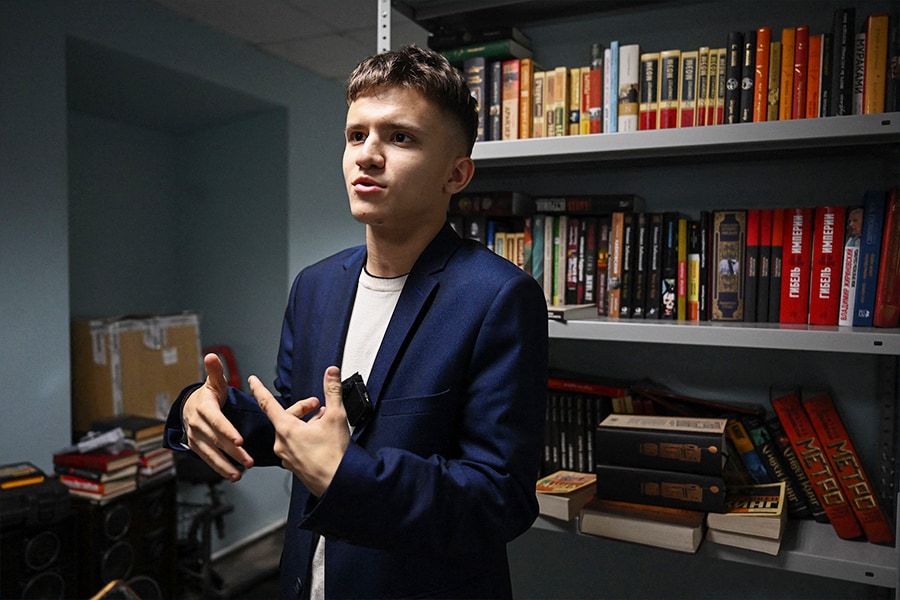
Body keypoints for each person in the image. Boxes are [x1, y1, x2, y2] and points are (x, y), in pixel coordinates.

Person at [164, 44, 549, 600]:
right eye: (355, 135)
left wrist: (349, 478)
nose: (367, 155)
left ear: (456, 173)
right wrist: (202, 409)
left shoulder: (498, 297)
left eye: (400, 137)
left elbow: (500, 498)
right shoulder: (315, 287)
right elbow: (296, 427)